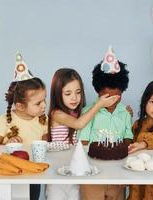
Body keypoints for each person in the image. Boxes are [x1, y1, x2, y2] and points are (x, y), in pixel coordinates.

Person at [45, 68, 119, 200]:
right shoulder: (56, 114)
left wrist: (123, 111)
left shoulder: (80, 113)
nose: (74, 98)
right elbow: (79, 124)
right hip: (57, 177)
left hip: (76, 172)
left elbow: (88, 121)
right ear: (57, 94)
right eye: (68, 93)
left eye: (78, 92)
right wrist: (99, 105)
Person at [0, 52, 47, 200]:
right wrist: (7, 145)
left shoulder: (43, 119)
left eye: (44, 99)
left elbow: (45, 144)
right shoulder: (4, 121)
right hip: (10, 173)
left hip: (33, 173)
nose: (44, 105)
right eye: (38, 103)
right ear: (20, 106)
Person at [78, 46, 134, 200]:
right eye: (107, 97)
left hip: (118, 174)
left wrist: (121, 148)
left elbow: (128, 138)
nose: (112, 101)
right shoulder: (88, 113)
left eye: (117, 96)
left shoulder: (125, 113)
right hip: (92, 175)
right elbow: (83, 142)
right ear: (98, 92)